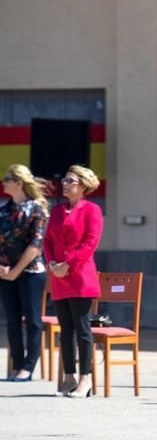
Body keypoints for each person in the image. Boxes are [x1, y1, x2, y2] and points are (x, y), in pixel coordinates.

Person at [44, 165, 103, 397]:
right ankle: (68, 377)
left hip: (80, 276)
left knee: (82, 329)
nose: (65, 184)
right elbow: (47, 241)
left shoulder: (92, 210)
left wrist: (67, 264)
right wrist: (52, 265)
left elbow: (90, 243)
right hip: (59, 277)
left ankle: (85, 379)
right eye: (65, 181)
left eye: (70, 181)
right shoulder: (57, 211)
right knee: (65, 330)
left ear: (83, 186)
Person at [0, 165, 49, 382]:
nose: (3, 182)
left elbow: (35, 246)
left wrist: (15, 271)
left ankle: (29, 367)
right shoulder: (3, 210)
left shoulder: (36, 209)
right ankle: (17, 365)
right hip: (5, 272)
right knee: (11, 320)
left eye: (7, 179)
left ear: (19, 183)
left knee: (32, 319)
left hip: (30, 272)